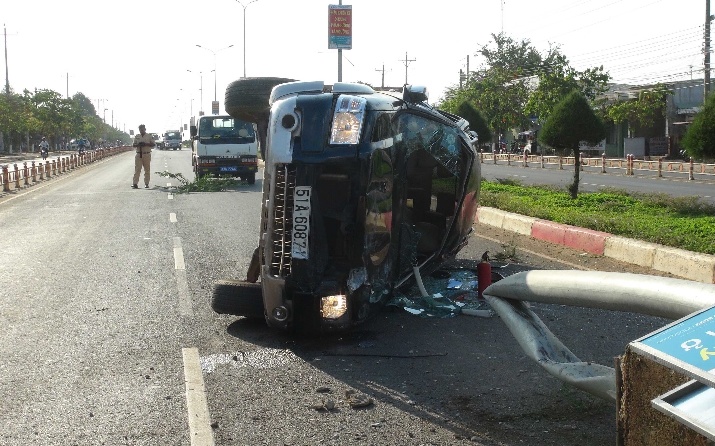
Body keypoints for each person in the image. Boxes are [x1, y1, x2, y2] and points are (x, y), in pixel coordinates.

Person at [131, 124, 155, 189]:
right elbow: (133, 145)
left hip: (146, 154)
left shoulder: (149, 136)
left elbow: (153, 144)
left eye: (142, 129)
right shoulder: (137, 136)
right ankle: (135, 183)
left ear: (145, 129)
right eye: (140, 129)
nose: (141, 130)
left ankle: (146, 183)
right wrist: (138, 144)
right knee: (137, 169)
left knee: (147, 169)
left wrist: (146, 144)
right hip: (139, 154)